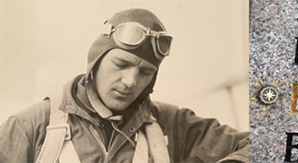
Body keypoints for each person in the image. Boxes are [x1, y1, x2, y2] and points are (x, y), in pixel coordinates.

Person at [0, 8, 249, 163]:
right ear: (95, 61)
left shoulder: (171, 124)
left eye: (146, 72)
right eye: (121, 64)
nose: (131, 82)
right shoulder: (30, 127)